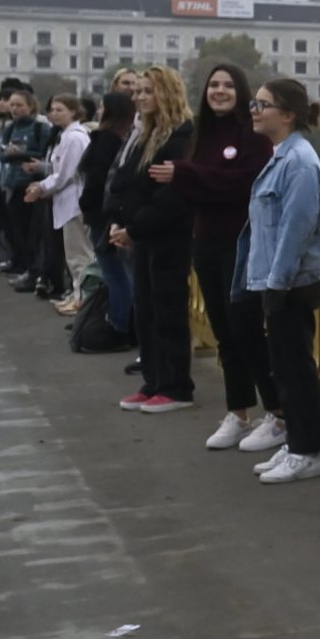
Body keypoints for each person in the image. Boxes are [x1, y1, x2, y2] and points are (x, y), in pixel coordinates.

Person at [158, 63, 283, 455]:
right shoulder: (202, 135)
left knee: (246, 327)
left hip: (241, 243)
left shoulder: (253, 135)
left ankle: (277, 413)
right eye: (214, 84)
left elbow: (241, 184)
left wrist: (186, 175)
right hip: (206, 241)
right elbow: (200, 187)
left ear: (242, 91)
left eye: (229, 84)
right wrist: (191, 178)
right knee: (223, 331)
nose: (220, 91)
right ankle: (238, 411)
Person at [237, 77, 320, 484]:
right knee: (285, 366)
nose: (255, 112)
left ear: (288, 114)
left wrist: (276, 285)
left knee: (295, 368)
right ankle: (297, 442)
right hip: (276, 279)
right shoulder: (286, 155)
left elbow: (296, 228)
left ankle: (308, 450)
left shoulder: (298, 161)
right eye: (254, 105)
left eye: (264, 105)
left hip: (289, 283)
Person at [106, 68, 197, 415]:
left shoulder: (183, 134)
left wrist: (134, 227)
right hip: (142, 235)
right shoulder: (148, 133)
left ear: (167, 93)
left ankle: (176, 386)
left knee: (167, 310)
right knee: (145, 310)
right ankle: (154, 381)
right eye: (138, 92)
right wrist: (120, 222)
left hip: (169, 238)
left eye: (147, 91)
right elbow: (127, 181)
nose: (139, 98)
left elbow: (171, 196)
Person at [23, 93, 94, 307]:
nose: (54, 114)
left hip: (74, 201)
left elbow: (66, 173)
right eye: (52, 110)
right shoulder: (67, 135)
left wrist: (42, 186)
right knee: (74, 255)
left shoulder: (74, 137)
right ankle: (77, 296)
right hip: (67, 199)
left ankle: (83, 299)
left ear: (73, 111)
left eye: (60, 109)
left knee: (79, 255)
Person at [77, 87, 134, 328]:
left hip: (101, 214)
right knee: (117, 270)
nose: (98, 111)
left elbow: (97, 179)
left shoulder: (105, 140)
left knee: (113, 271)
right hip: (109, 212)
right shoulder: (122, 139)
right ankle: (122, 318)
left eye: (102, 107)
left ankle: (120, 322)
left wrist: (85, 204)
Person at [0, 85, 51, 289]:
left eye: (20, 105)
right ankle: (24, 268)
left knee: (33, 233)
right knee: (18, 231)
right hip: (12, 184)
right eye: (12, 105)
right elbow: (0, 153)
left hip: (32, 185)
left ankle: (35, 273)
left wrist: (22, 153)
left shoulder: (40, 128)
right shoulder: (9, 128)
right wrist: (9, 153)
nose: (15, 109)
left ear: (31, 106)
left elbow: (45, 153)